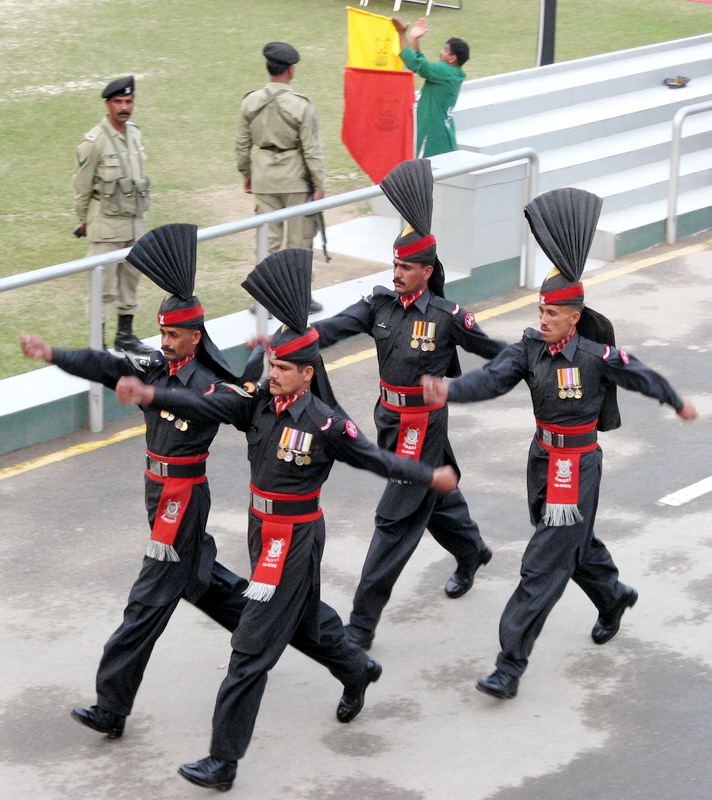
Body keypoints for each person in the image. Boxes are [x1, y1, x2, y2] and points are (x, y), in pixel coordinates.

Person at [116, 247, 458, 792]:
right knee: (303, 622)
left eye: (280, 367)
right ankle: (356, 668)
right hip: (262, 530)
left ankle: (223, 763)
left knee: (249, 651)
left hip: (292, 539)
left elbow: (376, 458)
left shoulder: (325, 425)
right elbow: (206, 404)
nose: (270, 374)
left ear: (306, 373)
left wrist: (427, 474)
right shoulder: (256, 404)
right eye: (269, 364)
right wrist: (152, 391)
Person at [422, 187, 698, 700]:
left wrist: (674, 399)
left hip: (576, 465)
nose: (543, 318)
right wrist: (451, 390)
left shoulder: (596, 354)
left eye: (552, 313)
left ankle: (509, 665)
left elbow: (640, 375)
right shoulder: (530, 348)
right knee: (566, 540)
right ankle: (612, 594)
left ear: (574, 316)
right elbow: (493, 379)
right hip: (541, 457)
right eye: (540, 310)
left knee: (543, 561)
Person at [19, 223, 263, 741]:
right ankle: (291, 632)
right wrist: (53, 354)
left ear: (196, 337)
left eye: (174, 335)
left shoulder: (211, 384)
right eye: (162, 333)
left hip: (181, 500)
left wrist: (152, 397)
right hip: (158, 494)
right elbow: (107, 364)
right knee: (207, 584)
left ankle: (112, 706)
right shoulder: (156, 367)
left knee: (146, 603)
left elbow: (201, 406)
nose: (165, 342)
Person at [312, 160, 507, 651]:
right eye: (394, 265)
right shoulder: (377, 305)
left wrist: (539, 366)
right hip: (389, 418)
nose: (397, 273)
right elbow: (329, 330)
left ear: (427, 271)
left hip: (423, 424)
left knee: (394, 521)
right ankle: (472, 550)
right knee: (435, 496)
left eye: (406, 267)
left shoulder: (447, 317)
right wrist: (287, 338)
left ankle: (361, 623)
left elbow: (498, 356)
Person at [236, 41, 325, 312]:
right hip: (295, 179)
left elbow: (241, 145)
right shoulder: (301, 105)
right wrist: (319, 183)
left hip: (264, 178)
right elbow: (311, 149)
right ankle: (299, 297)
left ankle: (263, 299)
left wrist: (247, 174)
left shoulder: (250, 102)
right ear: (291, 70)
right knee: (299, 240)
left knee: (268, 242)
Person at [73, 75, 152, 355]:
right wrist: (85, 220)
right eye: (118, 102)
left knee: (131, 281)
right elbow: (82, 187)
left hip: (134, 226)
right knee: (102, 287)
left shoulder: (135, 134)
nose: (124, 107)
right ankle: (98, 342)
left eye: (128, 101)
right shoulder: (94, 142)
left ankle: (125, 335)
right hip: (105, 227)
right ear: (108, 104)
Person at [392, 17, 469, 158]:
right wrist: (415, 39)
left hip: (432, 134)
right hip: (442, 132)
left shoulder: (444, 71)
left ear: (452, 58)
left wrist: (401, 34)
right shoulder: (454, 73)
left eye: (445, 50)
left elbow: (414, 63)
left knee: (424, 171)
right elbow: (421, 64)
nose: (441, 52)